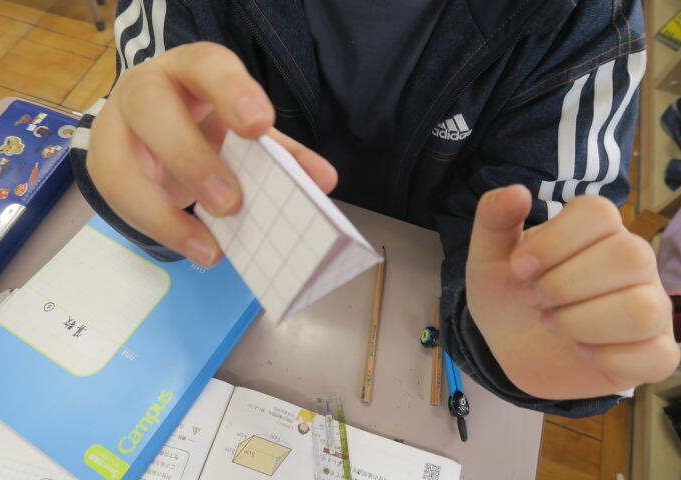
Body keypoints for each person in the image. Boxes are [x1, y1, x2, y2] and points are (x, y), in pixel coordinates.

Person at [70, 0, 679, 417]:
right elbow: (147, 130)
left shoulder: (583, 18)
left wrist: (542, 336)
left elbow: (543, 252)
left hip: (416, 321)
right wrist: (152, 189)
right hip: (238, 300)